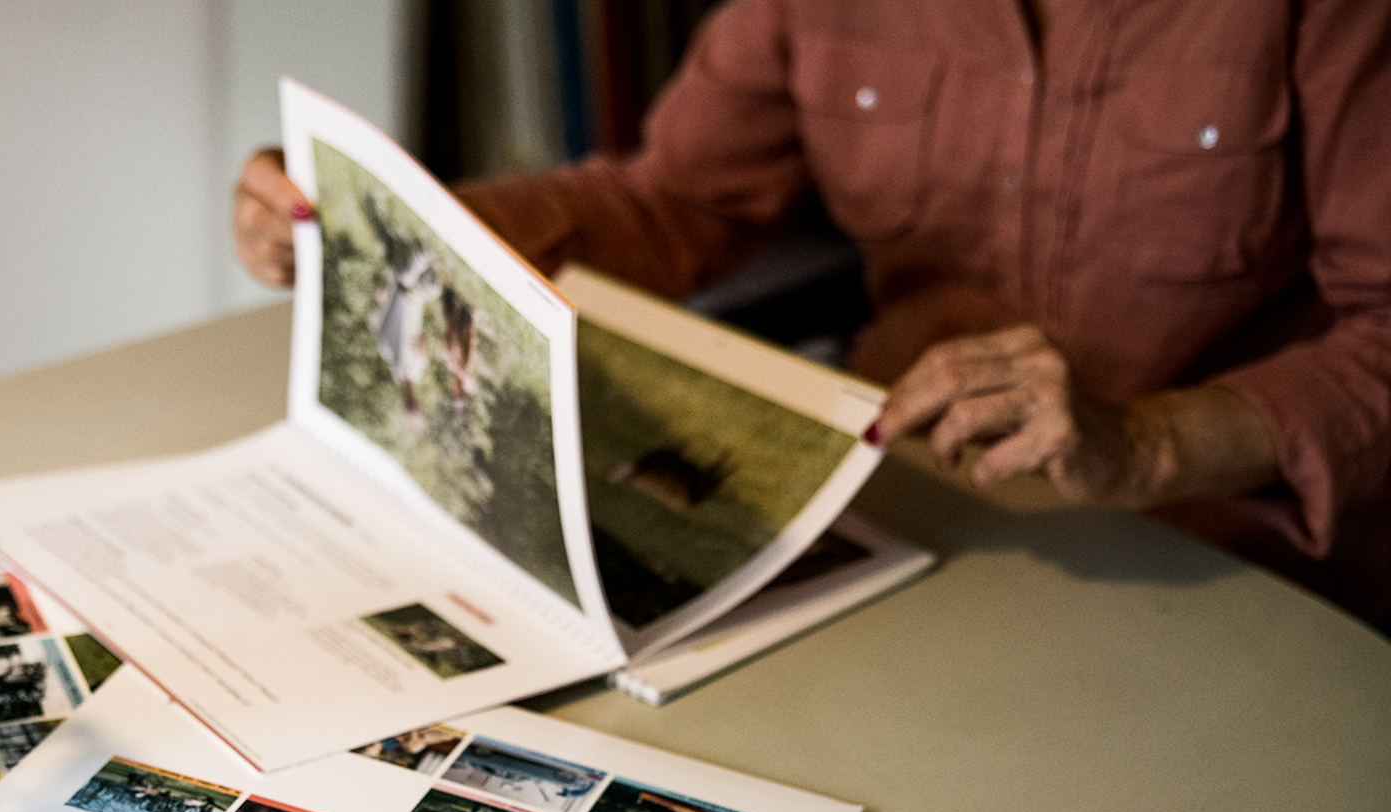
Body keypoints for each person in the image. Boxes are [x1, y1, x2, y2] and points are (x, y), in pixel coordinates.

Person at [235, 0, 1391, 623]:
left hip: (1221, 561)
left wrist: (1148, 441)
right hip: (903, 517)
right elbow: (676, 200)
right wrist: (373, 215)